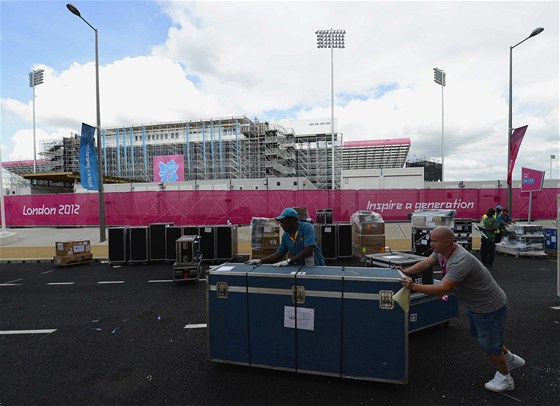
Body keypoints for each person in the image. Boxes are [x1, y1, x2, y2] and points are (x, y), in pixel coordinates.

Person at [399, 226, 525, 392]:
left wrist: (414, 286)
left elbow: (444, 288)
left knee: (489, 345)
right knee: (487, 337)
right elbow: (426, 262)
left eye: (434, 241)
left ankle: (505, 378)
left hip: (489, 307)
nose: (431, 243)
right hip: (477, 306)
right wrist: (403, 271)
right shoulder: (442, 251)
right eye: (431, 239)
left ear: (448, 242)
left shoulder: (460, 261)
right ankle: (508, 358)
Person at [246, 207, 325, 267]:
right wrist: (260, 261)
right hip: (300, 268)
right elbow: (279, 254)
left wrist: (289, 261)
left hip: (316, 267)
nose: (281, 224)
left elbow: (309, 250)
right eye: (280, 222)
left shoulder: (306, 227)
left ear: (293, 220)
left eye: (283, 222)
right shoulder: (286, 236)